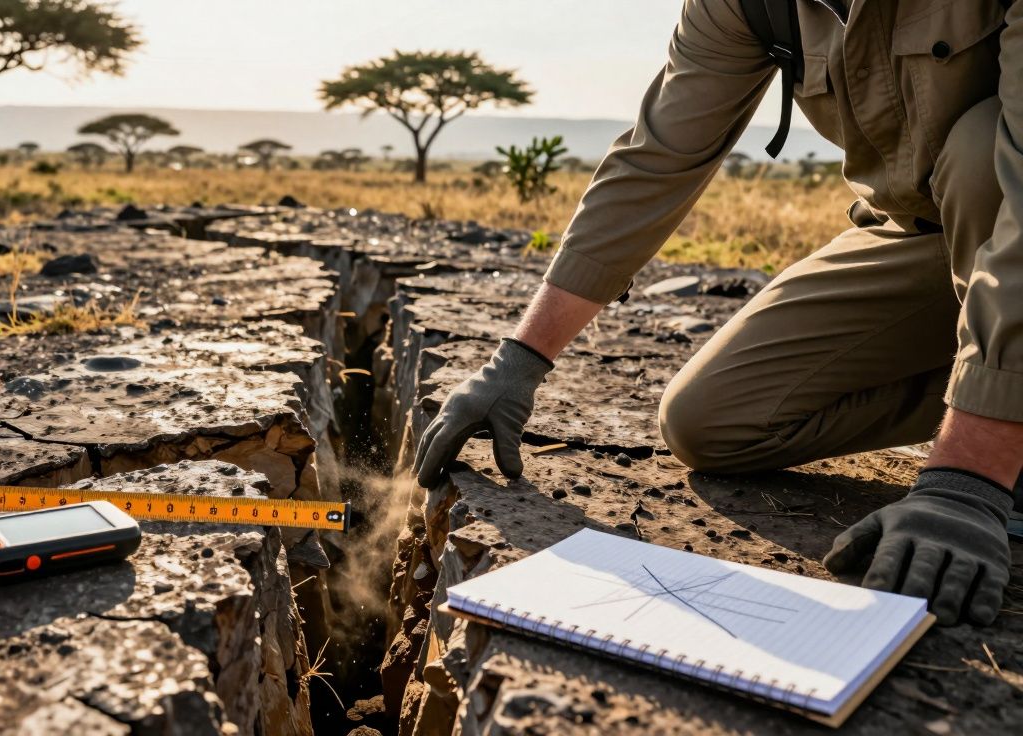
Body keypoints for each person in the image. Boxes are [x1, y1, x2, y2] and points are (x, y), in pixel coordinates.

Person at [413, 0, 1021, 626]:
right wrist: (519, 359)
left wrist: (964, 483)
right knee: (712, 420)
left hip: (1013, 212)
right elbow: (658, 158)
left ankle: (1005, 445)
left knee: (982, 150)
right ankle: (991, 403)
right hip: (921, 235)